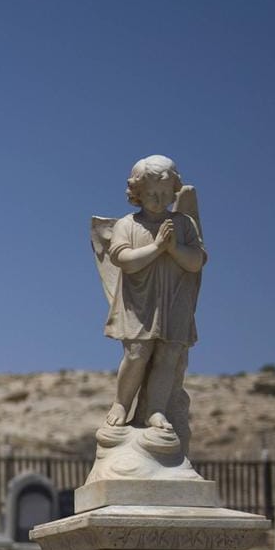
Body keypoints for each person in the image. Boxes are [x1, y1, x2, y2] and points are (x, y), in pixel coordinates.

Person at [91, 155, 206, 438]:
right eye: (152, 193)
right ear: (137, 192)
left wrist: (175, 249)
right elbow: (125, 260)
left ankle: (155, 409)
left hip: (175, 299)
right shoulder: (127, 225)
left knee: (168, 355)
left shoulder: (183, 224)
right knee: (137, 353)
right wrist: (158, 247)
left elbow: (196, 262)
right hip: (140, 301)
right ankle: (121, 403)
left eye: (166, 194)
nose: (159, 199)